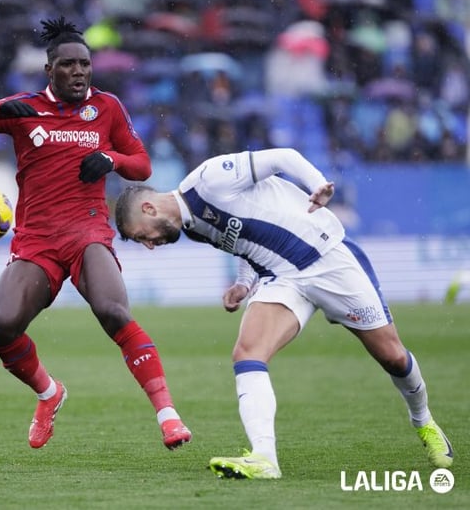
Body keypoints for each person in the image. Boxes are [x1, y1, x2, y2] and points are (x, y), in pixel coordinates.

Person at [114, 147, 454, 478]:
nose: (149, 245)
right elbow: (244, 244)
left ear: (149, 208)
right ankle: (265, 458)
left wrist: (317, 185)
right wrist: (244, 283)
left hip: (327, 257)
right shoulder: (193, 227)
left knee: (392, 356)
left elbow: (283, 157)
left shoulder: (208, 180)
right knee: (247, 353)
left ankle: (424, 421)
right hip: (283, 279)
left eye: (143, 236)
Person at [0, 17, 192, 450]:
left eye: (85, 64)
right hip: (36, 240)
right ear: (50, 70)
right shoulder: (24, 108)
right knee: (0, 326)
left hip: (87, 231)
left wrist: (111, 159)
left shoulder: (107, 107)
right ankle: (48, 392)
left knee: (113, 311)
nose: (79, 72)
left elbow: (141, 165)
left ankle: (168, 417)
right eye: (69, 65)